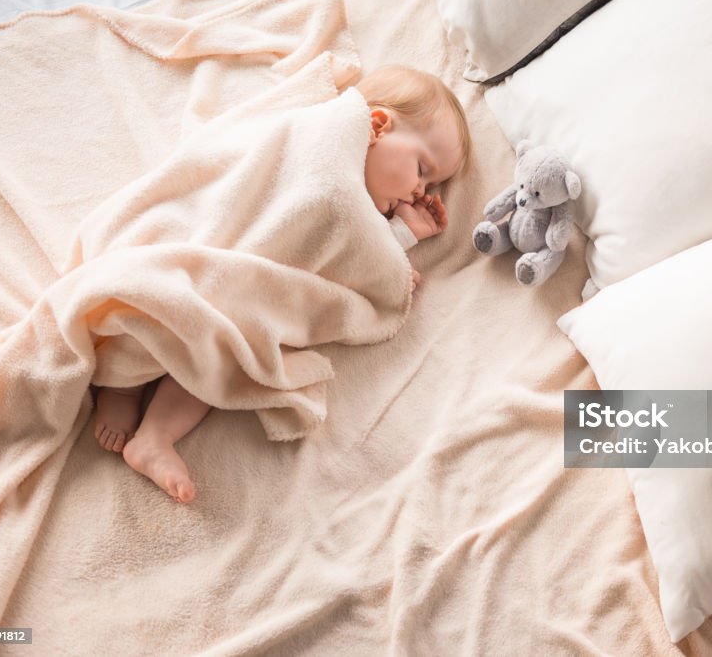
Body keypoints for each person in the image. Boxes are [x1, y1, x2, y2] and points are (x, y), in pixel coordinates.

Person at [92, 65, 471, 503]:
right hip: (207, 237)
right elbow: (335, 224)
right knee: (182, 304)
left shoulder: (358, 205)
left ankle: (155, 436)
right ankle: (122, 385)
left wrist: (400, 235)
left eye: (431, 184)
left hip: (239, 284)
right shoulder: (323, 147)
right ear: (378, 125)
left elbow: (330, 255)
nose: (419, 191)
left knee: (236, 338)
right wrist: (391, 264)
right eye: (421, 169)